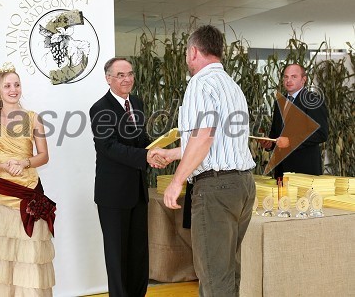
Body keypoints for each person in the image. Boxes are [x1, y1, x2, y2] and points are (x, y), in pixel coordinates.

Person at [150, 25, 256, 296]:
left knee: (213, 279)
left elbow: (204, 138)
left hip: (216, 190)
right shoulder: (231, 86)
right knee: (228, 273)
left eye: (187, 52)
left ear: (193, 51)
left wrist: (176, 181)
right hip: (242, 186)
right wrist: (173, 154)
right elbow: (215, 142)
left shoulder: (200, 83)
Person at [0, 62, 56, 296]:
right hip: (1, 197)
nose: (13, 89)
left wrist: (24, 162)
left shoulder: (34, 118)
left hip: (29, 193)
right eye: (7, 85)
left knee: (28, 259)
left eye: (16, 84)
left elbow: (44, 155)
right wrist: (4, 166)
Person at [89, 57, 166, 297]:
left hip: (138, 191)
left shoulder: (137, 103)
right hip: (113, 194)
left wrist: (158, 148)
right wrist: (145, 156)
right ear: (108, 79)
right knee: (117, 256)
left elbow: (139, 140)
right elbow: (108, 147)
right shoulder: (100, 109)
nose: (127, 79)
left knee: (138, 254)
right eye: (121, 75)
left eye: (130, 74)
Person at [259, 64, 328, 178]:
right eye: (286, 77)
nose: (289, 80)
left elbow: (321, 134)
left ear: (303, 79)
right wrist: (269, 143)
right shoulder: (279, 102)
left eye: (294, 76)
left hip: (304, 170)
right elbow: (276, 133)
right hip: (281, 170)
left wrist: (290, 141)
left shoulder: (312, 100)